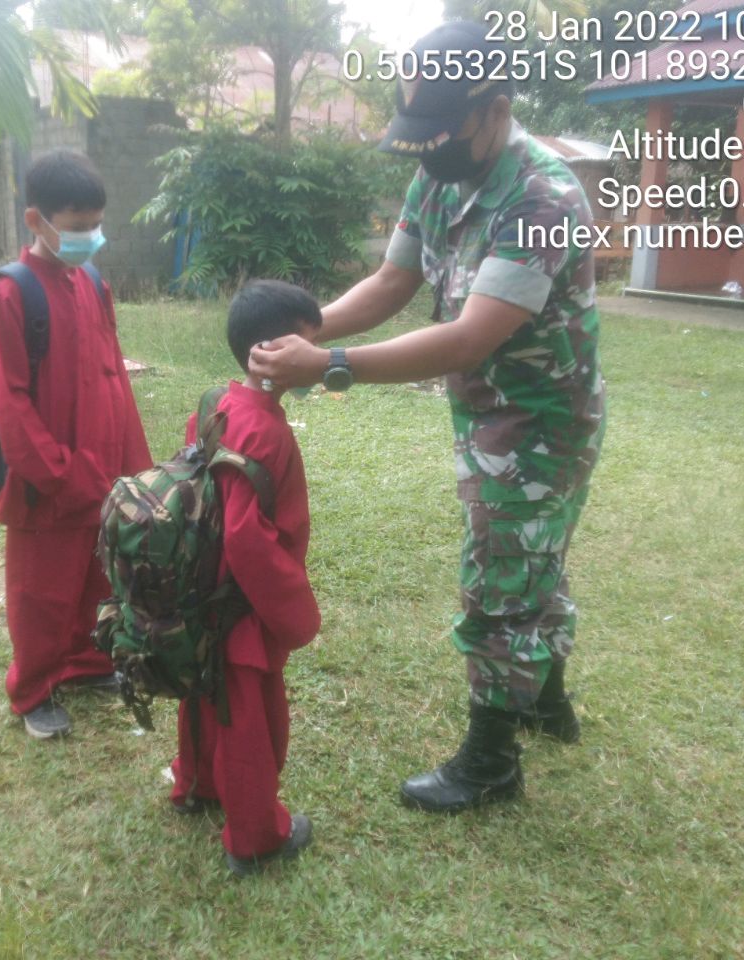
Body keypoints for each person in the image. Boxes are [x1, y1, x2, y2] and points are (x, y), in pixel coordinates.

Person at [248, 21, 606, 813]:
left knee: (500, 578)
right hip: (486, 411)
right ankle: (544, 699)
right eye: (419, 126)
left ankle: (491, 761)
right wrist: (308, 331)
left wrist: (330, 369)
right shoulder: (442, 172)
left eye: (442, 127)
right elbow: (390, 282)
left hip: (541, 421)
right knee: (528, 560)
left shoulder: (544, 197)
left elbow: (469, 336)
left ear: (494, 107)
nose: (428, 145)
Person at [0, 149, 152, 739]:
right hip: (49, 482)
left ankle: (84, 664)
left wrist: (134, 467)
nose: (90, 239)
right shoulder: (11, 295)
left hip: (104, 470)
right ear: (37, 222)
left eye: (95, 226)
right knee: (41, 593)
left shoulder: (93, 282)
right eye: (77, 229)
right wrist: (57, 471)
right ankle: (33, 691)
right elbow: (11, 403)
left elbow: (113, 374)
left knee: (96, 579)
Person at [170, 279, 323, 876]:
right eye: (308, 347)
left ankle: (195, 786)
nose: (315, 360)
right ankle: (256, 838)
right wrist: (294, 610)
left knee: (204, 698)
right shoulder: (269, 430)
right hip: (242, 609)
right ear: (275, 352)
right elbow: (246, 537)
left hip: (202, 594)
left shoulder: (216, 404)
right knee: (251, 723)